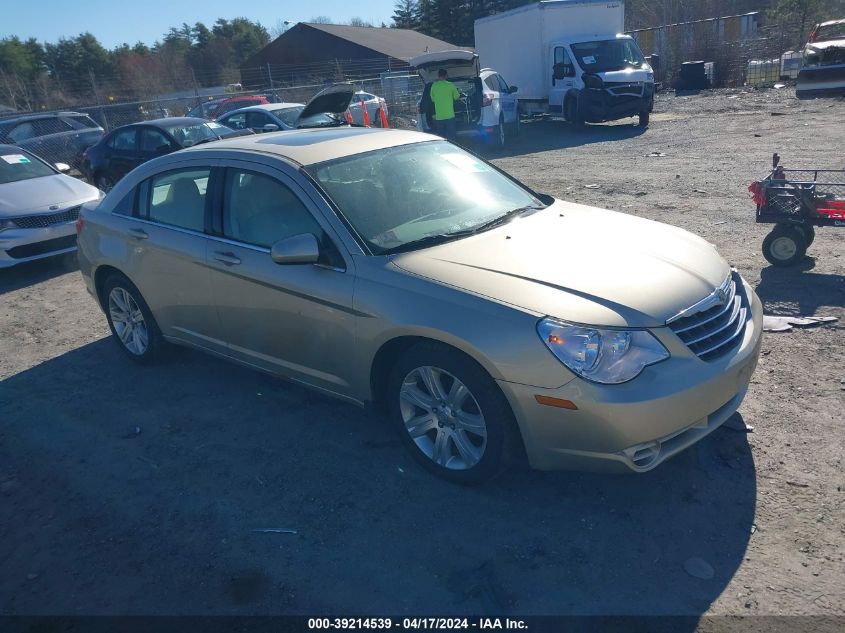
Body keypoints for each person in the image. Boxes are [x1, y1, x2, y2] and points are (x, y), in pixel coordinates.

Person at [429, 68, 461, 141]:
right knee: (452, 137)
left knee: (441, 138)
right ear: (446, 75)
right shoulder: (450, 85)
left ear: (438, 76)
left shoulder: (434, 86)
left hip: (439, 117)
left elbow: (432, 99)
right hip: (450, 116)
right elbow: (457, 97)